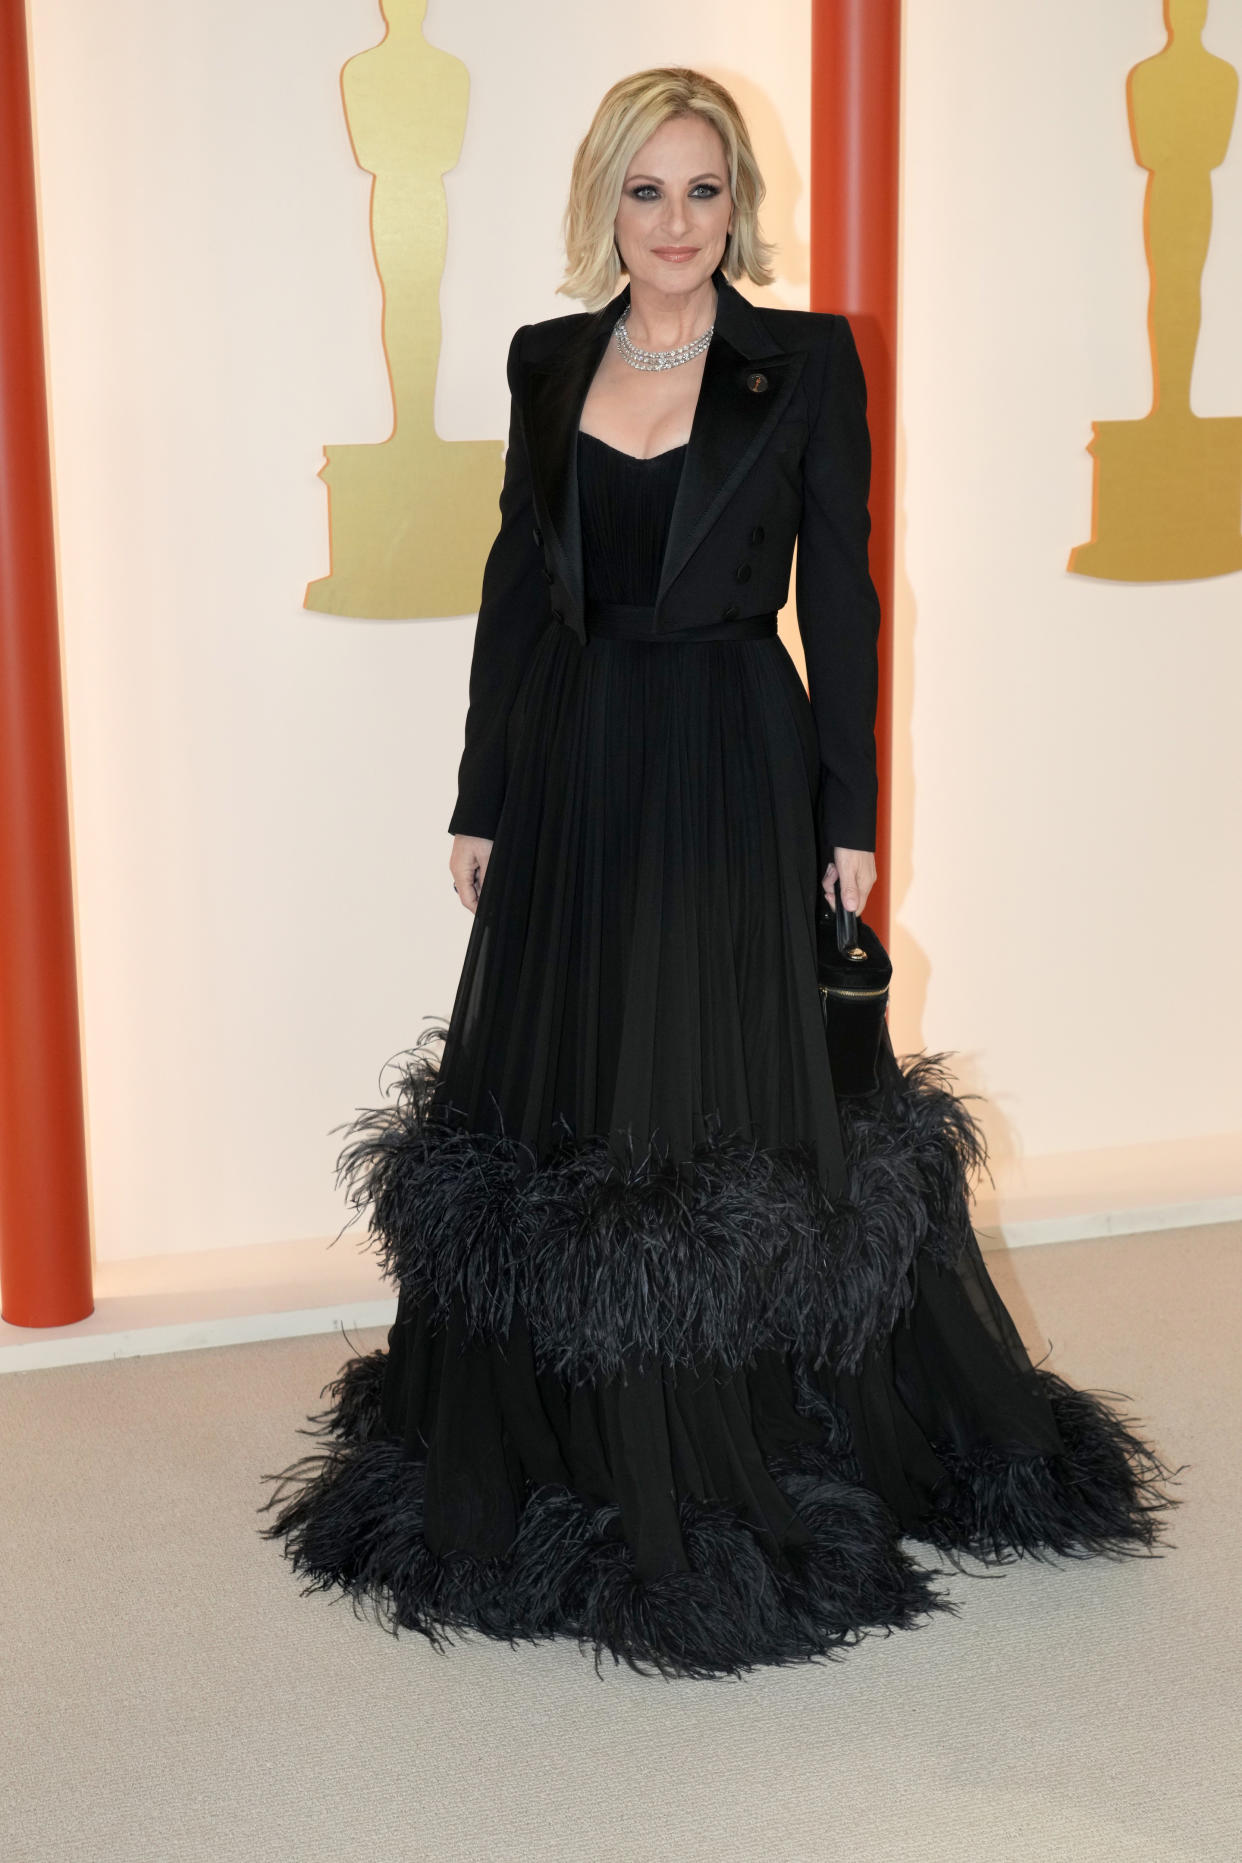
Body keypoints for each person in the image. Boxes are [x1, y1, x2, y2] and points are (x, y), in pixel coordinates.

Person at [259, 67, 1181, 1681]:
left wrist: (849, 812)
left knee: (712, 1096)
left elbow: (846, 602)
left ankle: (725, 1414)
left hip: (735, 757)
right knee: (566, 1096)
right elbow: (510, 595)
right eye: (644, 191)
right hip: (572, 754)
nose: (674, 222)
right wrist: (480, 795)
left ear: (734, 203)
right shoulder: (549, 360)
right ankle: (572, 1422)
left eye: (699, 191)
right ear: (602, 204)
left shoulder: (805, 360)